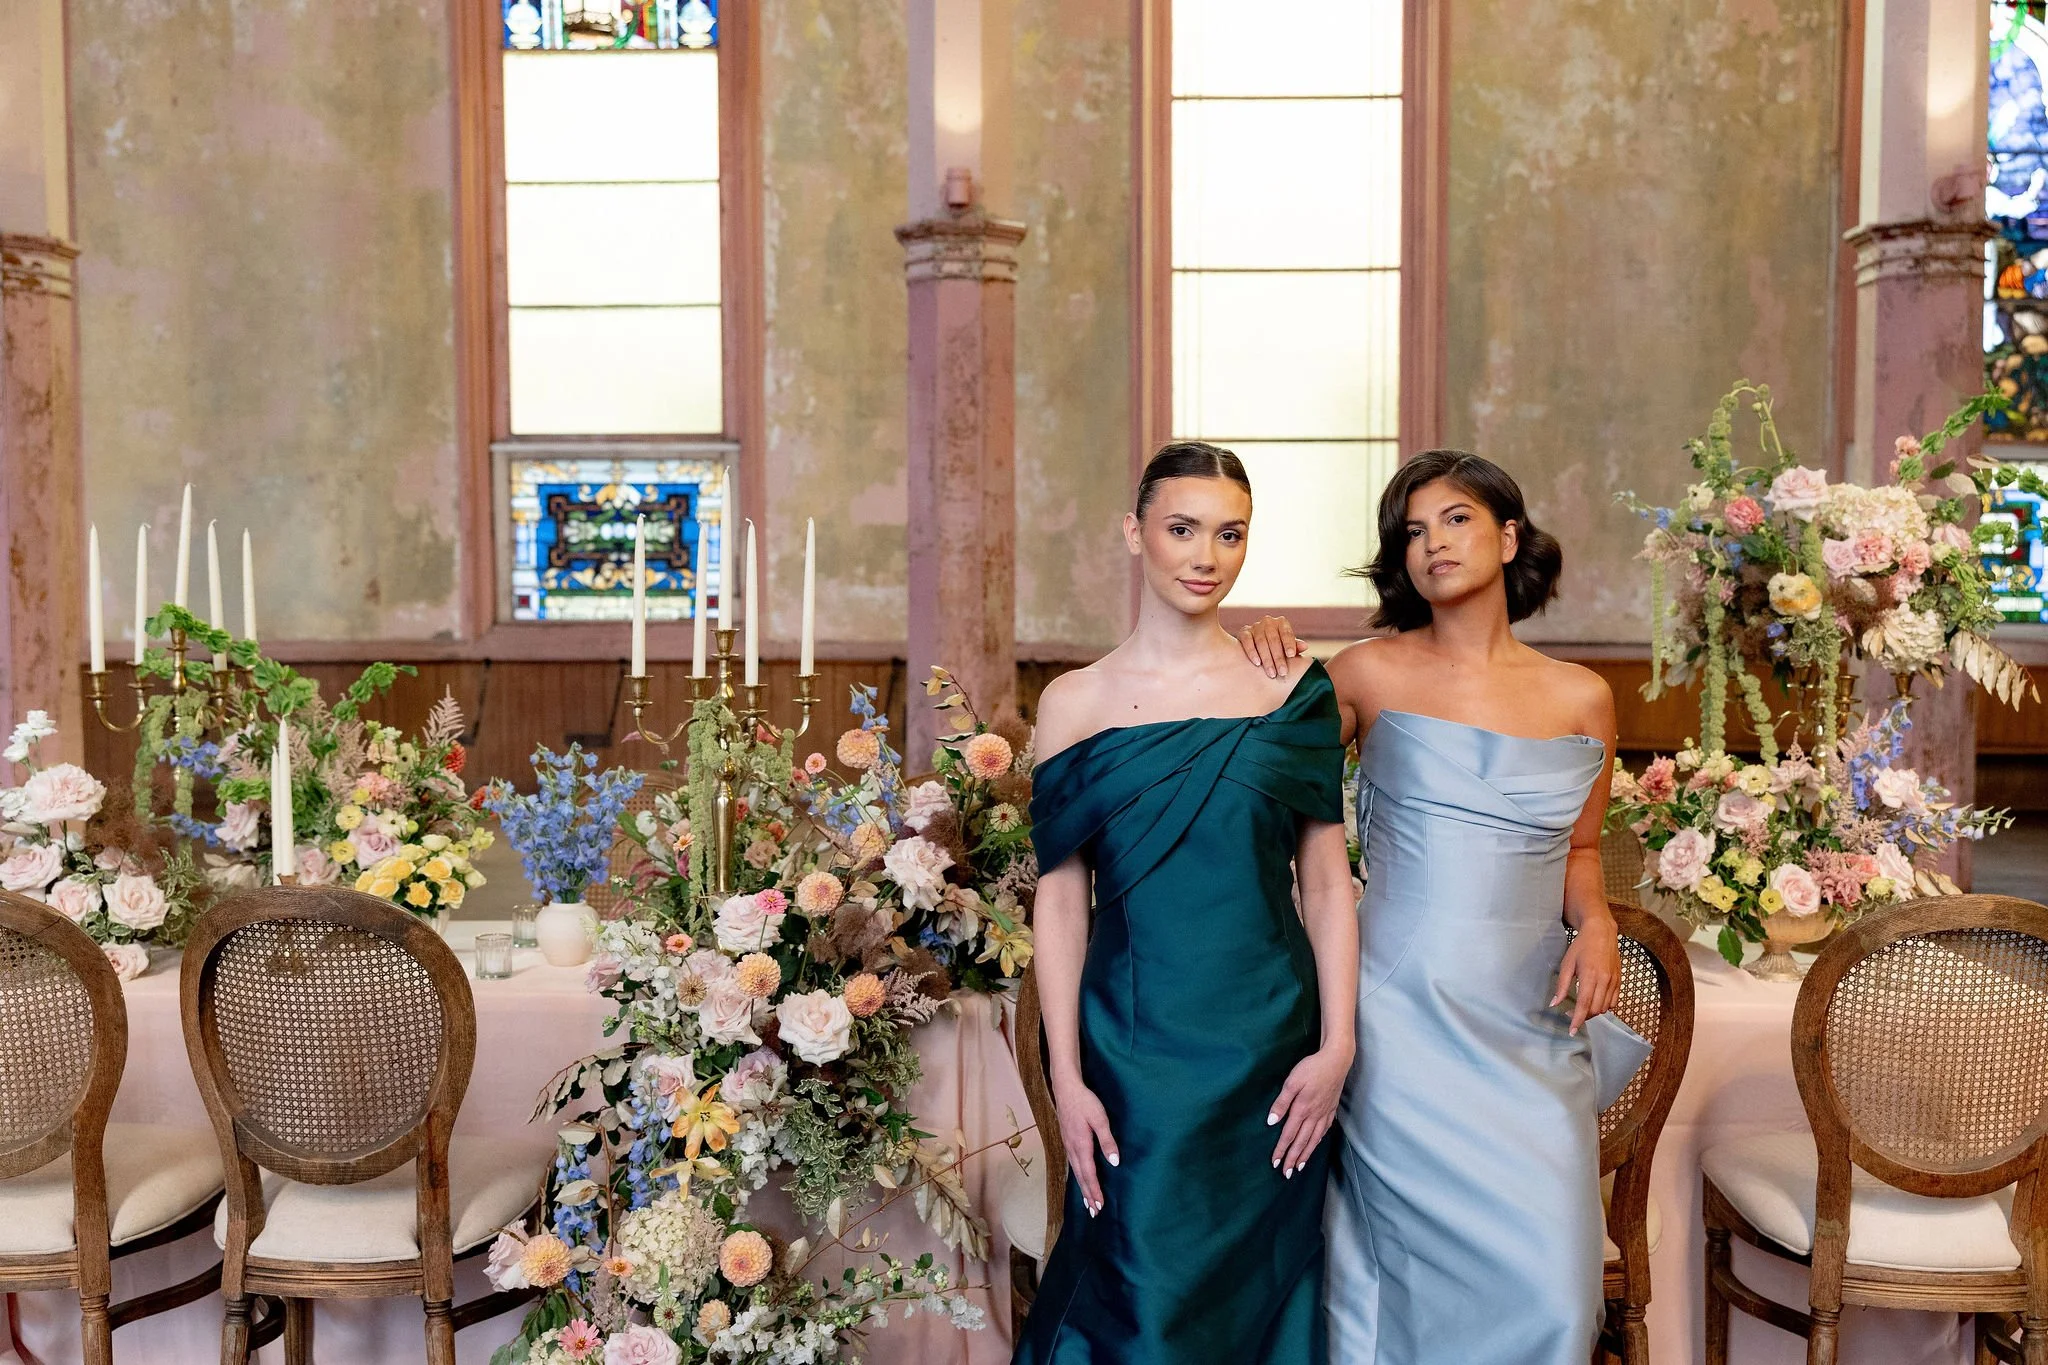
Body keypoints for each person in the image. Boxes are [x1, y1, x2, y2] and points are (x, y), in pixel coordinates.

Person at [1238, 449, 1625, 1364]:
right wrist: (1253, 659)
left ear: (1509, 534)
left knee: (1561, 1298)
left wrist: (1600, 920)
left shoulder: (1584, 696)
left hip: (1530, 1021)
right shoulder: (1362, 674)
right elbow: (1259, 792)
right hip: (1395, 1015)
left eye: (1454, 518)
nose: (1432, 543)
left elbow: (1579, 849)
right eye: (1412, 531)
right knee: (1390, 1276)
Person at [1015, 442, 1359, 1365]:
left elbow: (1327, 883)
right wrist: (1068, 1074)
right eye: (1181, 529)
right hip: (1133, 1054)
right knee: (1140, 1302)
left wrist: (1338, 1044)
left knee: (1264, 1301)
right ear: (1135, 534)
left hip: (1273, 1056)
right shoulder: (1074, 702)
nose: (1206, 555)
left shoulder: (1291, 689)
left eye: (1230, 533)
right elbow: (1060, 903)